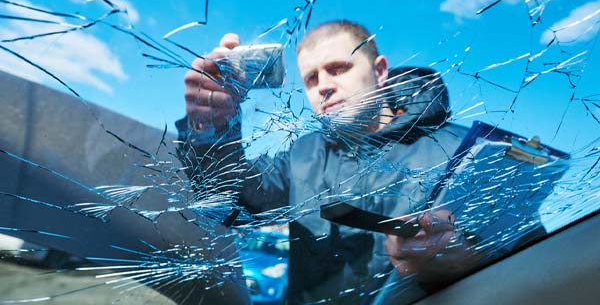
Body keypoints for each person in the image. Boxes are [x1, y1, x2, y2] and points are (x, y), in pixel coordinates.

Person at [177, 20, 479, 304]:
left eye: (338, 68)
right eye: (311, 78)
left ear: (381, 71)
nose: (323, 86)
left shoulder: (461, 152)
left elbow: (508, 252)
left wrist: (465, 261)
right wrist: (210, 130)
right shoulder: (304, 153)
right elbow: (236, 204)